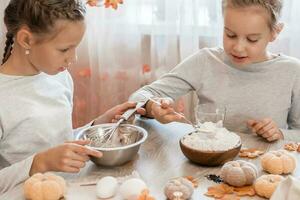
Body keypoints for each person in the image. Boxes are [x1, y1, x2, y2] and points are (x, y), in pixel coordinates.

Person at [0, 0, 144, 194]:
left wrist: (96, 126)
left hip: (70, 190)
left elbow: (58, 142)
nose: (73, 58)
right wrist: (39, 162)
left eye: (75, 47)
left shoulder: (59, 77)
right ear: (26, 40)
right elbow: (45, 155)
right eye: (64, 49)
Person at [130, 0, 300, 142]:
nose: (238, 48)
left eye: (252, 39)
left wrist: (280, 133)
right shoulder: (205, 61)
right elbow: (139, 96)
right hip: (208, 167)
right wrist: (153, 107)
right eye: (230, 35)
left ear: (275, 32)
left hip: (265, 173)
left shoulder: (292, 71)